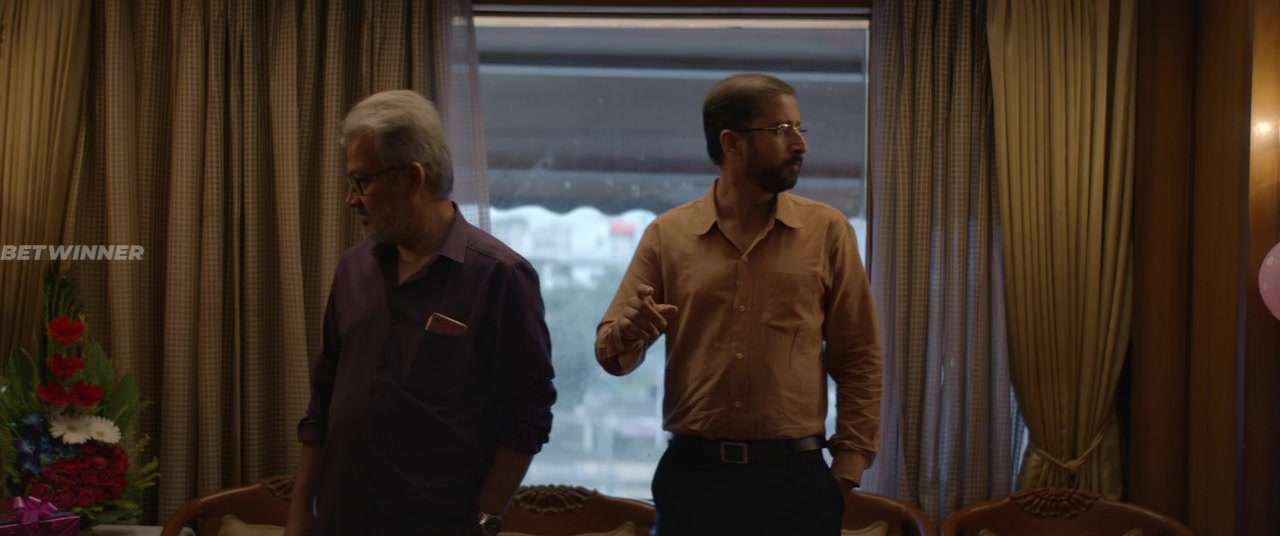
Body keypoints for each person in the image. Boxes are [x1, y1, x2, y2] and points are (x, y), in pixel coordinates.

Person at [595, 74, 883, 535]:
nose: (800, 144)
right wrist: (629, 334)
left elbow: (860, 358)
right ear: (732, 143)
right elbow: (611, 354)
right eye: (781, 130)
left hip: (797, 483)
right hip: (694, 480)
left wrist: (846, 472)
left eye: (799, 129)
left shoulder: (828, 232)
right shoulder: (668, 235)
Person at [286, 90, 556, 536]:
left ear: (412, 178)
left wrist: (484, 520)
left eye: (361, 181)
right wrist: (300, 511)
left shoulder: (500, 276)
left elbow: (529, 415)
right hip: (339, 520)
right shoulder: (353, 268)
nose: (351, 199)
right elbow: (323, 398)